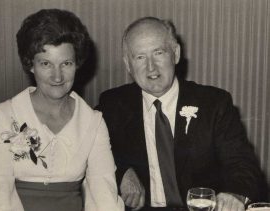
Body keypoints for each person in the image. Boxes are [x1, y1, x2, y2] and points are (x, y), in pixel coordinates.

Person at [96, 17, 265, 211]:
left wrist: (234, 194)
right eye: (140, 57)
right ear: (128, 64)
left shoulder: (214, 103)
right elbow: (88, 154)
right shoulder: (112, 105)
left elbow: (242, 165)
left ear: (175, 54)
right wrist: (122, 173)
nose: (151, 67)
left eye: (158, 53)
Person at [0, 9, 123, 211]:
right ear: (31, 65)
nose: (57, 77)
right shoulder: (5, 114)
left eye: (66, 64)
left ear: (77, 64)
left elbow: (103, 195)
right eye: (46, 64)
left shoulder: (93, 122)